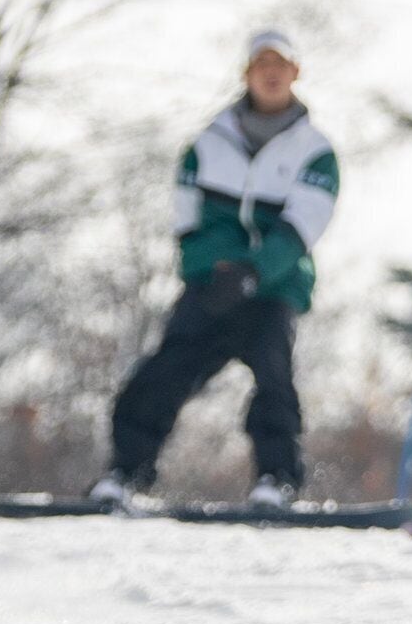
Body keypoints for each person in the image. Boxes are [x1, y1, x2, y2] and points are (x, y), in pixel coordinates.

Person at [91, 30, 340, 511]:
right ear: (246, 74)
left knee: (274, 374)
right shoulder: (207, 143)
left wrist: (254, 273)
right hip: (211, 288)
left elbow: (302, 227)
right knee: (164, 371)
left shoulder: (316, 152)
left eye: (280, 64)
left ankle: (277, 478)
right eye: (261, 64)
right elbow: (187, 222)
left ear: (295, 73)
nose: (270, 73)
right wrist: (216, 269)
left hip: (274, 290)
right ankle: (127, 471)